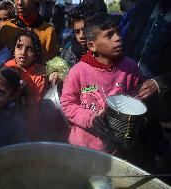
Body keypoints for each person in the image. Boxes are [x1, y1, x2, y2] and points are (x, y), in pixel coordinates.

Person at [60, 13, 143, 154]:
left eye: (118, 32)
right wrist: (91, 118)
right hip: (82, 147)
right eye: (109, 35)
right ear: (92, 46)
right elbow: (68, 104)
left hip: (116, 149)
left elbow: (138, 99)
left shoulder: (131, 68)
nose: (118, 38)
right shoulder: (78, 71)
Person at [123, 0, 171, 173]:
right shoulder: (143, 7)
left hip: (160, 101)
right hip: (129, 86)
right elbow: (126, 41)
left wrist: (160, 82)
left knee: (151, 156)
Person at [4, 30, 48, 105]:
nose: (23, 53)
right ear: (14, 50)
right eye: (19, 47)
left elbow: (34, 108)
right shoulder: (5, 67)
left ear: (35, 55)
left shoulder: (38, 77)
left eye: (29, 49)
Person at [61, 2, 102, 67]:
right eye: (77, 31)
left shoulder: (103, 52)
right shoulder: (69, 50)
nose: (81, 36)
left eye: (85, 30)